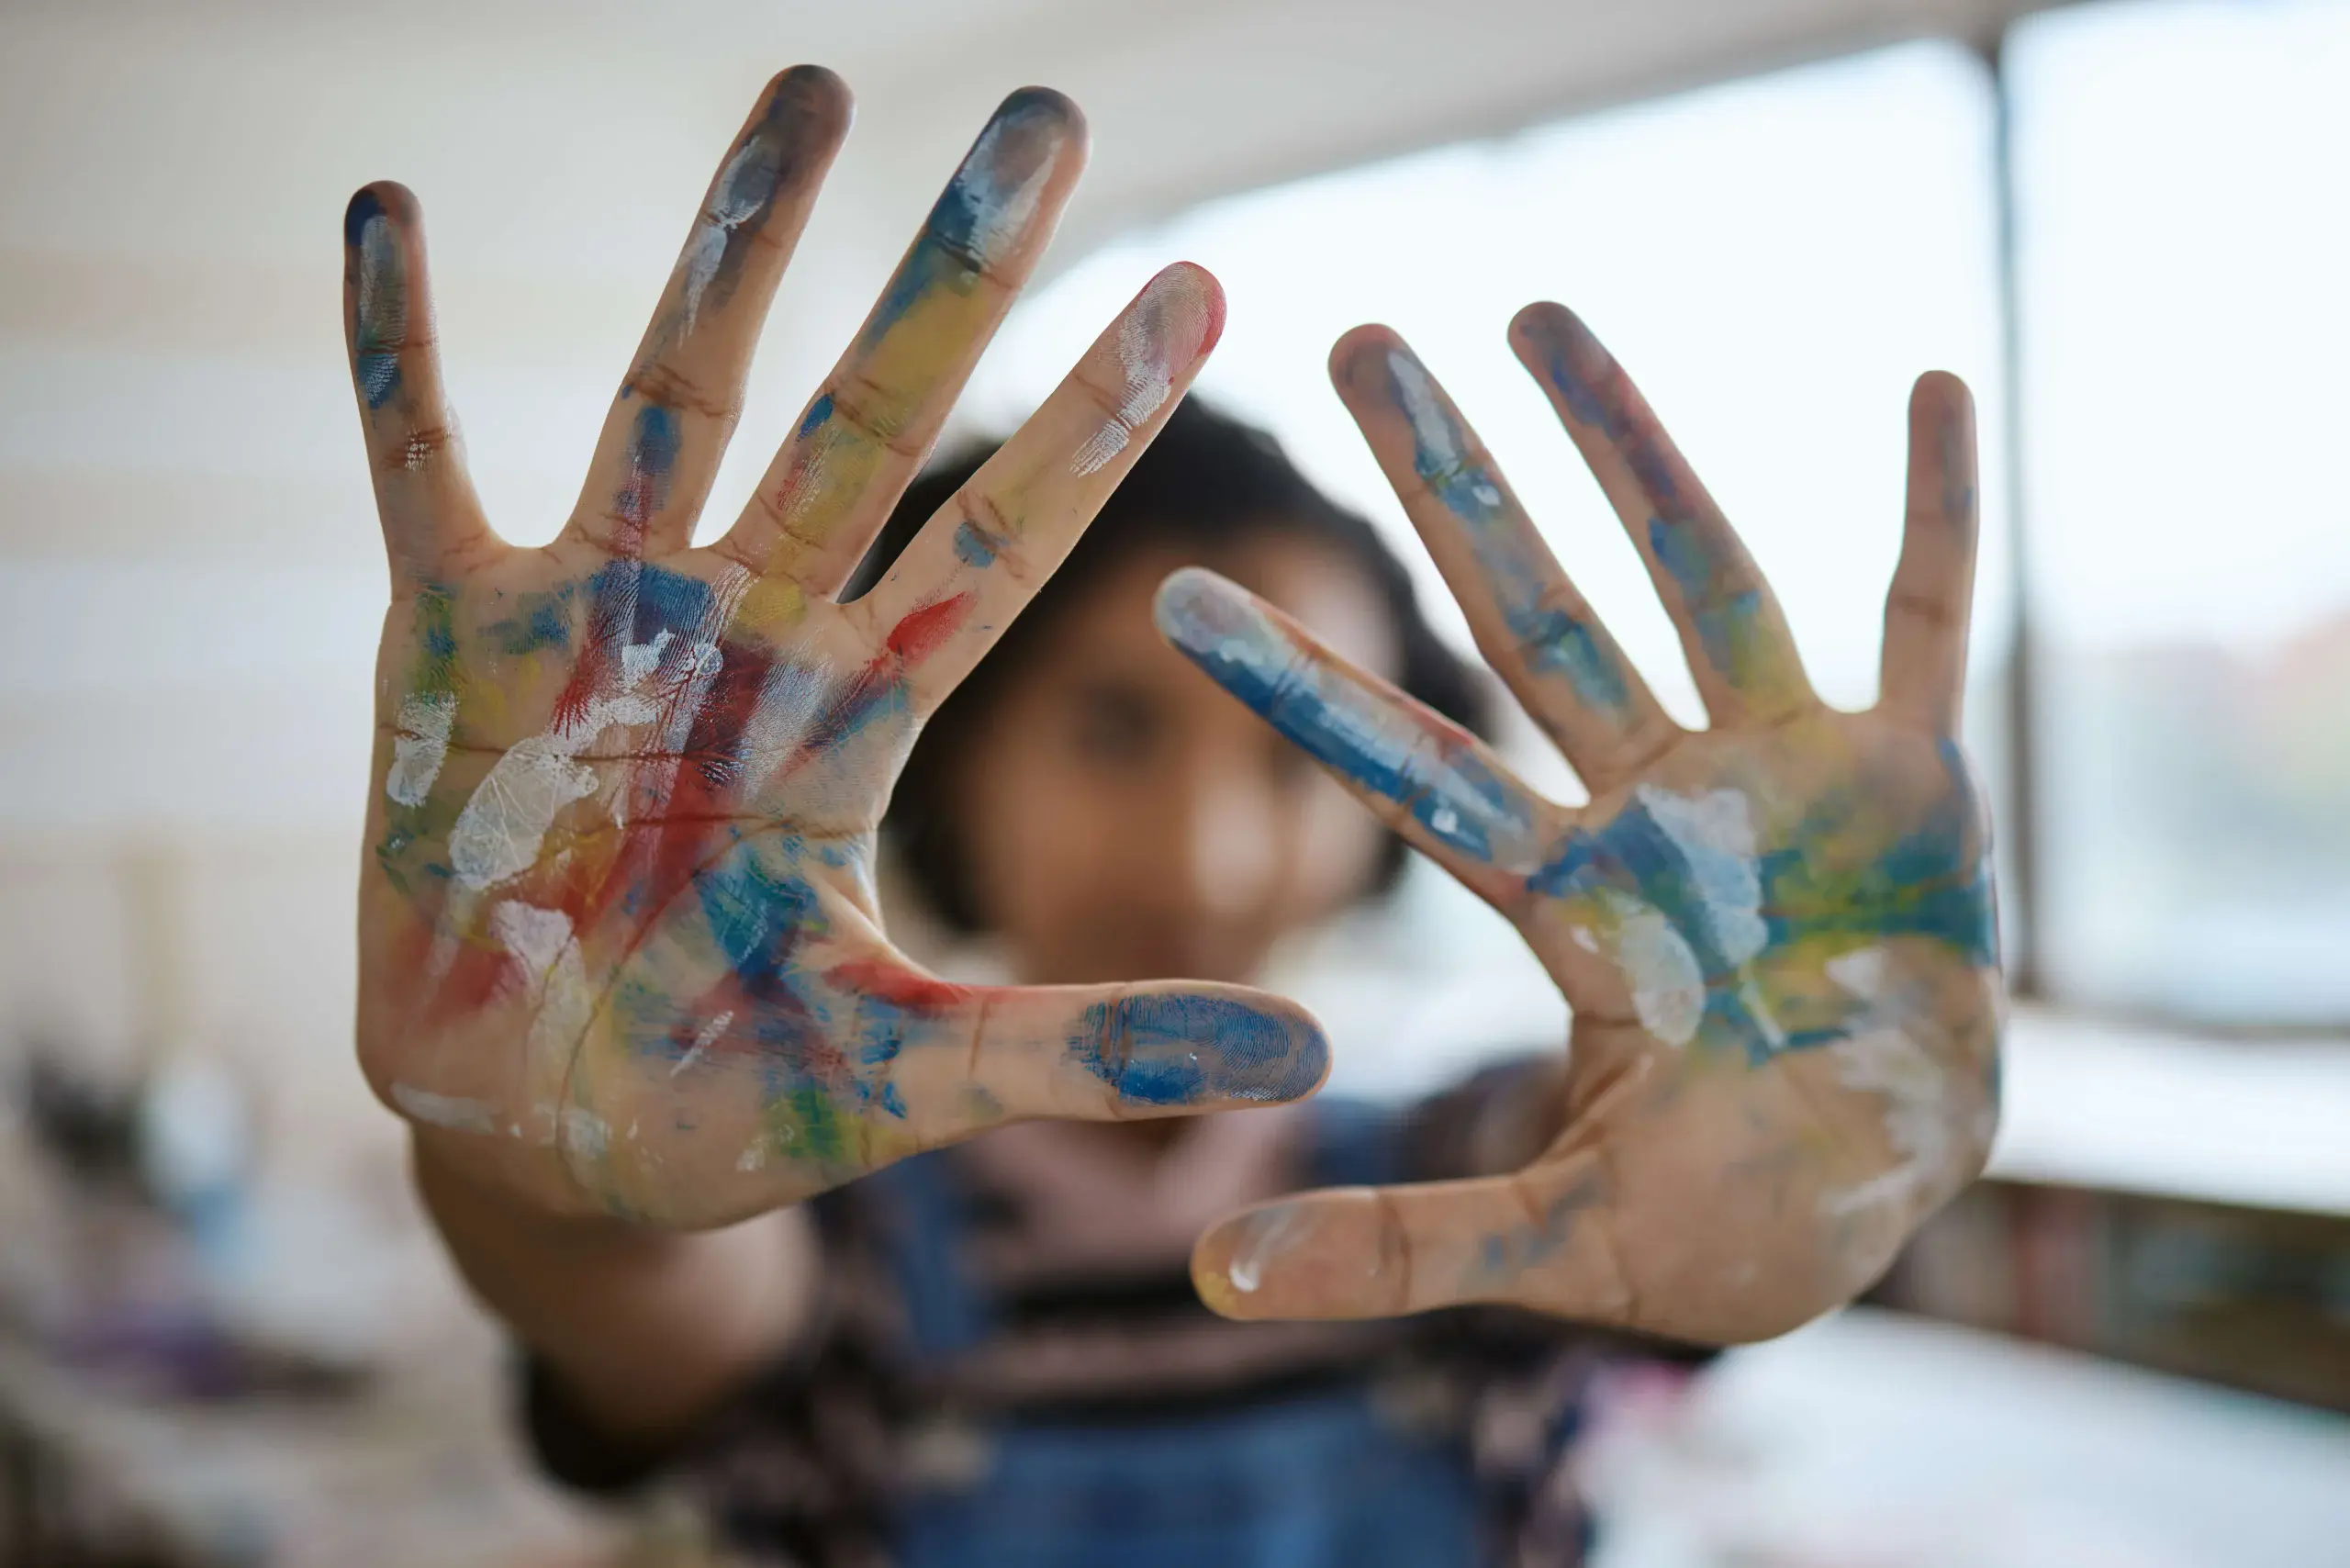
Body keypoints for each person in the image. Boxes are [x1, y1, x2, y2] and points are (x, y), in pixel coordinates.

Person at [343, 68, 2003, 1568]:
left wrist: (1793, 1109)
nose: (1208, 857)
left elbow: (1636, 1169)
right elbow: (638, 1293)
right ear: (955, 753)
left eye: (1298, 763)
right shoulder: (813, 1218)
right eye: (1115, 731)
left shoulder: (1479, 1194)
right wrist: (526, 1178)